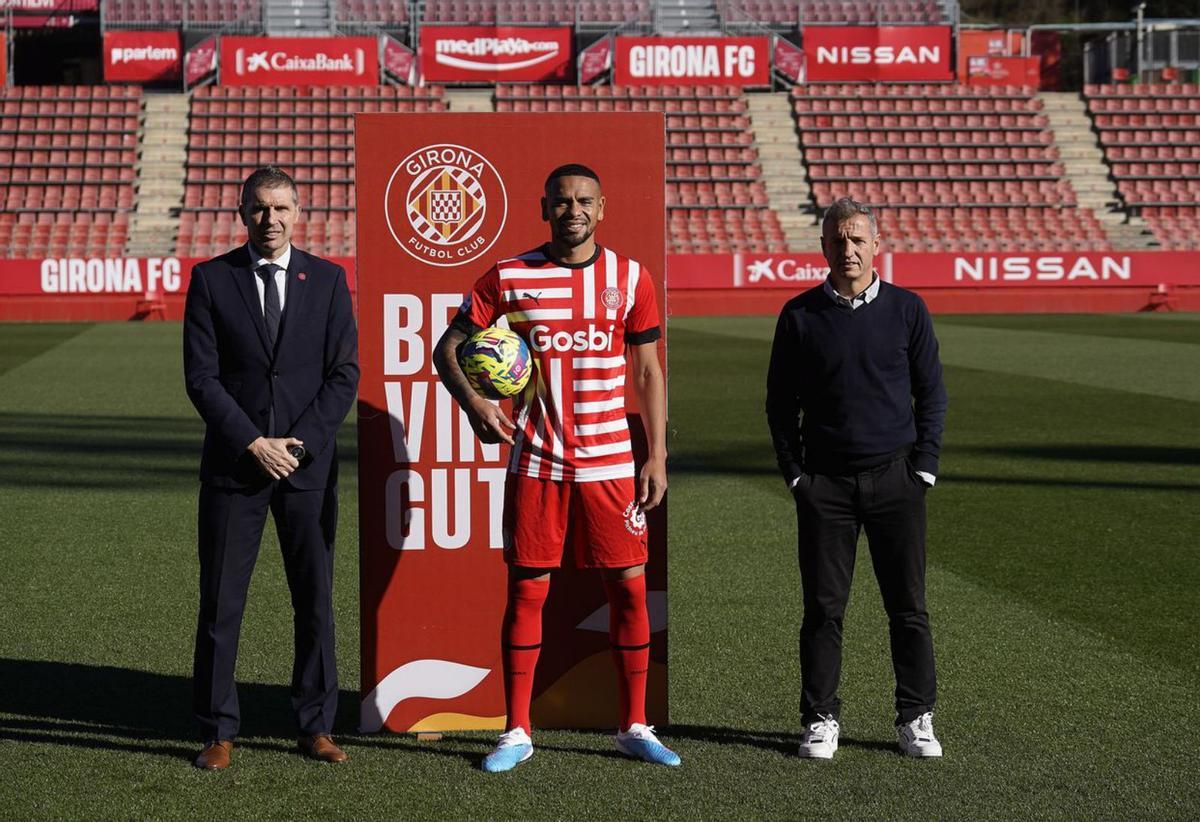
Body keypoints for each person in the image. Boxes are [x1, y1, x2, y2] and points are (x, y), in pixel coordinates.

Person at [432, 163, 680, 772]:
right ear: (545, 208)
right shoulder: (510, 276)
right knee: (527, 593)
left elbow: (648, 371)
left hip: (612, 467)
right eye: (562, 201)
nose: (573, 210)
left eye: (584, 201)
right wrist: (476, 406)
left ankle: (634, 724)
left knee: (629, 591)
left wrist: (656, 453)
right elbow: (447, 347)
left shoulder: (630, 277)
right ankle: (516, 730)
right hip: (537, 464)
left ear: (602, 209)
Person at [183, 167, 359, 770]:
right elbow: (201, 379)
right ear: (240, 212)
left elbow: (343, 377)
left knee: (313, 601)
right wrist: (255, 442)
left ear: (298, 212)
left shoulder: (330, 281)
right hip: (236, 469)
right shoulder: (210, 280)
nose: (271, 220)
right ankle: (217, 730)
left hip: (307, 473)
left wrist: (299, 445)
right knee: (221, 602)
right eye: (259, 209)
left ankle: (316, 725)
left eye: (281, 208)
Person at [765, 197, 948, 759]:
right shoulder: (798, 315)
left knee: (908, 607)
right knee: (823, 610)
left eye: (857, 239)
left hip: (896, 480)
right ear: (822, 248)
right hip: (826, 487)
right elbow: (779, 405)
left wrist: (923, 468)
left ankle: (915, 717)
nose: (848, 249)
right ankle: (820, 719)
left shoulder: (908, 310)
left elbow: (932, 394)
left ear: (876, 245)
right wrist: (797, 476)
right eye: (837, 240)